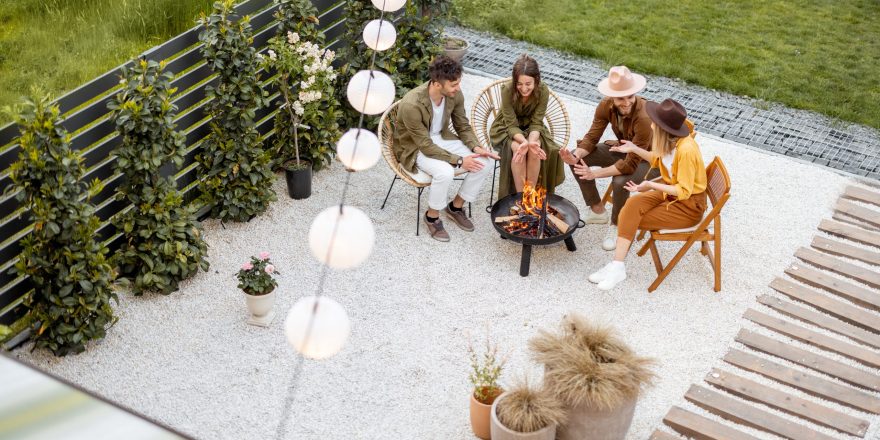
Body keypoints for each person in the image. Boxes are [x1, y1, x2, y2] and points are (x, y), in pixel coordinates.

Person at [588, 98, 708, 291]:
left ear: (663, 128)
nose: (651, 124)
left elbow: (684, 191)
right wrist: (634, 148)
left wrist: (651, 184)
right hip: (670, 192)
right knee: (630, 207)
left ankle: (616, 267)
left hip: (687, 206)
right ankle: (617, 266)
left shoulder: (686, 150)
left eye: (654, 122)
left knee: (634, 219)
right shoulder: (672, 141)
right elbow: (660, 159)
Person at [394, 56, 500, 242]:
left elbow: (462, 126)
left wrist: (476, 147)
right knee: (445, 172)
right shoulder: (412, 104)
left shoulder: (454, 95)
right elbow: (425, 145)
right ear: (436, 84)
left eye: (458, 83)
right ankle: (432, 216)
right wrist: (459, 160)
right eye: (453, 84)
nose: (457, 88)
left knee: (485, 162)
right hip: (416, 147)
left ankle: (455, 207)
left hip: (442, 139)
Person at [559, 66, 658, 251]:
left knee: (620, 180)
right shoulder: (606, 106)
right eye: (621, 98)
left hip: (651, 161)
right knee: (577, 158)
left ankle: (617, 225)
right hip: (624, 148)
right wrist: (575, 156)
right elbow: (591, 138)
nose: (627, 102)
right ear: (612, 97)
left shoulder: (644, 117)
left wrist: (594, 174)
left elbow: (630, 164)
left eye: (631, 96)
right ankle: (598, 211)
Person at [489, 54, 564, 199]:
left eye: (528, 84)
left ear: (536, 80)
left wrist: (530, 142)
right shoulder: (507, 90)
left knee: (535, 149)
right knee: (518, 149)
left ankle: (529, 196)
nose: (523, 89)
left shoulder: (543, 90)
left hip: (531, 126)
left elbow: (537, 122)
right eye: (519, 84)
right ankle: (520, 197)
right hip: (505, 127)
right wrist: (523, 142)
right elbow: (511, 125)